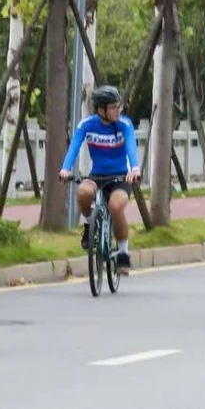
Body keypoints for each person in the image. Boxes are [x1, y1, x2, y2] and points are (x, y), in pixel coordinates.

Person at [57, 84, 141, 273]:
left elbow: (131, 149)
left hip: (121, 176)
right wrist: (65, 169)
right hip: (97, 175)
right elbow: (74, 147)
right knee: (83, 192)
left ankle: (123, 253)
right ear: (101, 110)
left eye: (118, 106)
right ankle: (89, 226)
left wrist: (134, 169)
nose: (117, 110)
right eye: (112, 107)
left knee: (115, 206)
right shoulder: (87, 124)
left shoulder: (124, 124)